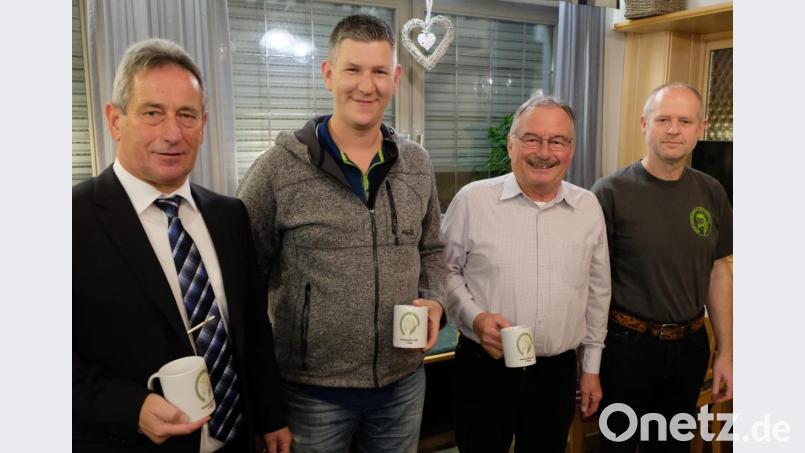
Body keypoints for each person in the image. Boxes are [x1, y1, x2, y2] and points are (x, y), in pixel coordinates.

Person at [236, 14, 446, 453]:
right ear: (329, 74)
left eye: (378, 72)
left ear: (396, 78)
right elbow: (242, 285)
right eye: (352, 69)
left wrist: (436, 299)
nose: (365, 86)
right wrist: (263, 399)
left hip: (403, 387)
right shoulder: (276, 170)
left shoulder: (418, 164)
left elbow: (432, 249)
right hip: (310, 396)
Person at [73, 38, 291, 453]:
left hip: (238, 441)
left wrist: (270, 414)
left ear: (203, 124)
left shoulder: (229, 215)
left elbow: (251, 328)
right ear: (115, 120)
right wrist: (130, 407)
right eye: (153, 113)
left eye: (186, 115)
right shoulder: (68, 222)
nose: (172, 133)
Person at [441, 95, 611, 453]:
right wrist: (475, 318)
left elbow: (598, 292)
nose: (543, 151)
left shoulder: (588, 207)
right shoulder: (473, 201)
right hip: (484, 369)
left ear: (571, 149)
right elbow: (444, 271)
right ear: (511, 144)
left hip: (556, 374)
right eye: (532, 138)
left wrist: (591, 367)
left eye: (557, 141)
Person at [592, 82, 733, 452]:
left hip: (690, 348)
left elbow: (718, 272)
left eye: (685, 121)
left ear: (700, 129)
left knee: (672, 447)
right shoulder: (609, 193)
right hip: (626, 348)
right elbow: (590, 284)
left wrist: (727, 352)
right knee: (617, 447)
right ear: (644, 124)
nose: (674, 129)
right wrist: (587, 361)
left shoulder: (712, 192)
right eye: (663, 119)